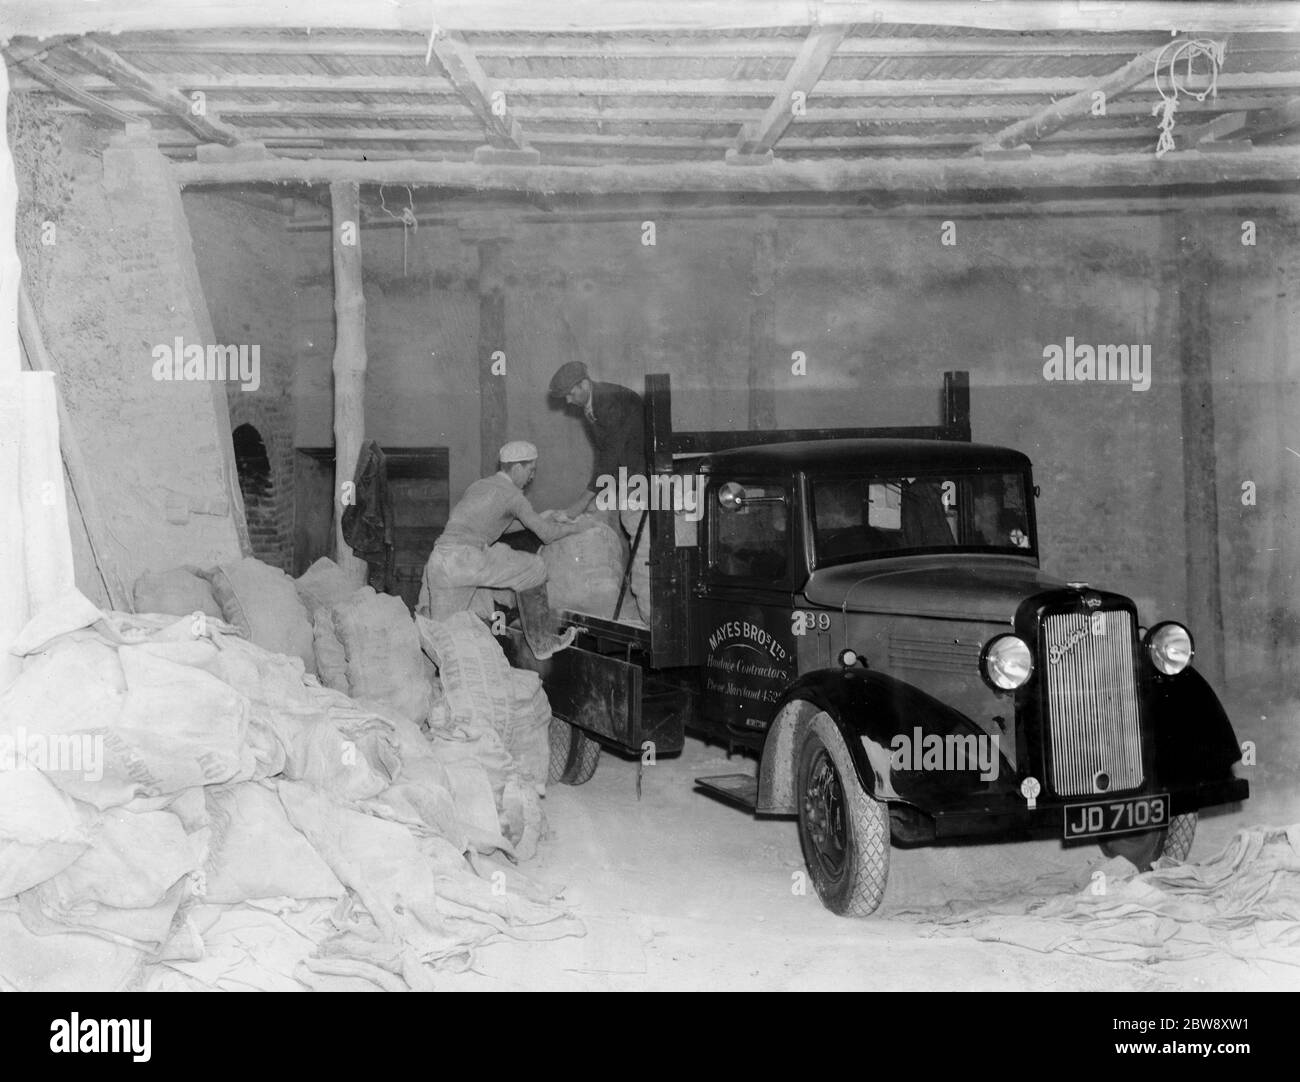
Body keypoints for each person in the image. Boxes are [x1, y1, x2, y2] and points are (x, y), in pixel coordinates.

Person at [418, 440, 589, 659]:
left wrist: (541, 517)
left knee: (441, 639)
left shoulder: (479, 486)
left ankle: (437, 682)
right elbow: (546, 534)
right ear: (517, 468)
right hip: (467, 558)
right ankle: (543, 643)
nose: (532, 477)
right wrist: (576, 528)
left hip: (441, 561)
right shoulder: (513, 495)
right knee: (535, 568)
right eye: (531, 470)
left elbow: (495, 523)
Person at [548, 360, 650, 621]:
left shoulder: (611, 402)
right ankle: (615, 595)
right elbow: (604, 455)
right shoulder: (592, 405)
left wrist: (581, 502)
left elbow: (611, 456)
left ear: (584, 383)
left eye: (571, 393)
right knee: (601, 517)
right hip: (622, 474)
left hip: (640, 474)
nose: (569, 401)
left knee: (638, 533)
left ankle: (648, 612)